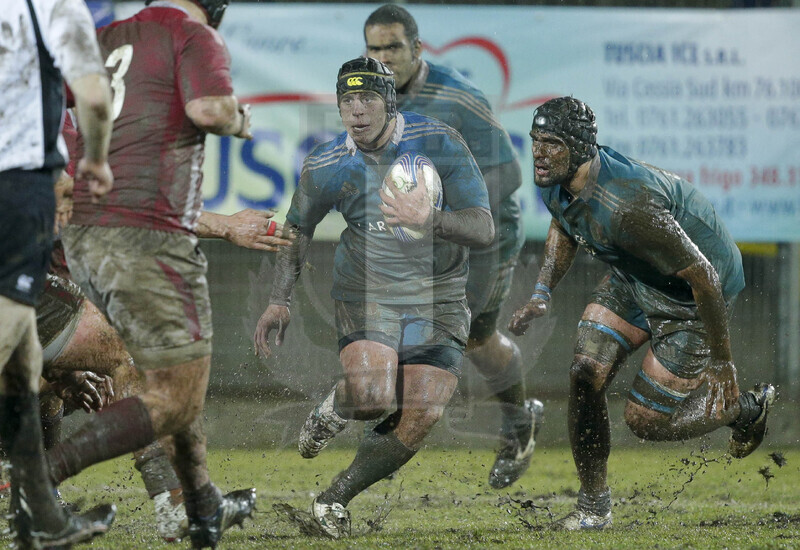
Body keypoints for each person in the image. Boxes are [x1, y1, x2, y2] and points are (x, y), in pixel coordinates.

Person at [43, 0, 266, 547]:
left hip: (52, 282)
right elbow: (210, 111)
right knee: (148, 372)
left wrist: (226, 227)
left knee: (160, 381)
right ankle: (35, 484)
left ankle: (196, 505)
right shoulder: (189, 38)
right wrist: (237, 117)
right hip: (66, 271)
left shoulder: (77, 117)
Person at [508, 96, 775, 530]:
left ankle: (746, 409)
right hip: (637, 274)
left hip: (693, 294)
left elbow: (704, 275)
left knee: (647, 422)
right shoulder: (556, 178)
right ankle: (594, 509)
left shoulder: (628, 207)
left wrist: (723, 362)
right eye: (537, 139)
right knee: (583, 371)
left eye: (551, 142)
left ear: (580, 148)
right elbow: (564, 221)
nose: (538, 151)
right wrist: (541, 292)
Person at [254, 57, 494, 539]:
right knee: (371, 395)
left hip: (440, 294)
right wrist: (280, 298)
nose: (356, 111)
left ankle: (334, 499)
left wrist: (431, 221)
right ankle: (335, 410)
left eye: (367, 100)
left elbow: (484, 228)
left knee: (423, 408)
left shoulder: (440, 143)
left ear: (390, 102)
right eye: (347, 101)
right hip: (368, 290)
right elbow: (298, 229)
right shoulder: (327, 163)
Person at [357, 4, 542, 489]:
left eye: (393, 47)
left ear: (417, 49)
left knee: (469, 337)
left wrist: (435, 214)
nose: (383, 56)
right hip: (426, 237)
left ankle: (520, 425)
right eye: (374, 48)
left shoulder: (458, 99)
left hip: (485, 237)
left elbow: (510, 174)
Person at [0, 0, 117, 546]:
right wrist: (95, 156)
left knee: (23, 364)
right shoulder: (52, 7)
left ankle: (40, 520)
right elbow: (94, 97)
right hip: (15, 186)